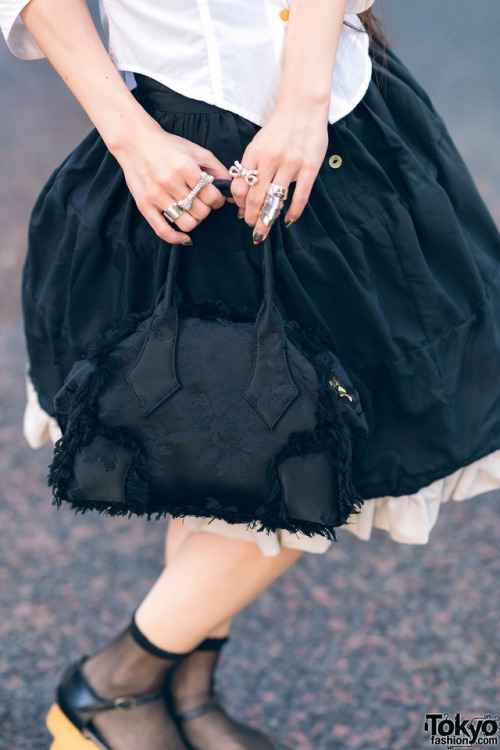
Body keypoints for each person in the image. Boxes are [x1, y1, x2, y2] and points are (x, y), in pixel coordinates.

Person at [2, 1, 500, 748]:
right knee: (279, 449)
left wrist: (303, 107)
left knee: (239, 448)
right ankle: (109, 688)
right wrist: (130, 137)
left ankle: (185, 697)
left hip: (343, 111)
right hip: (193, 148)